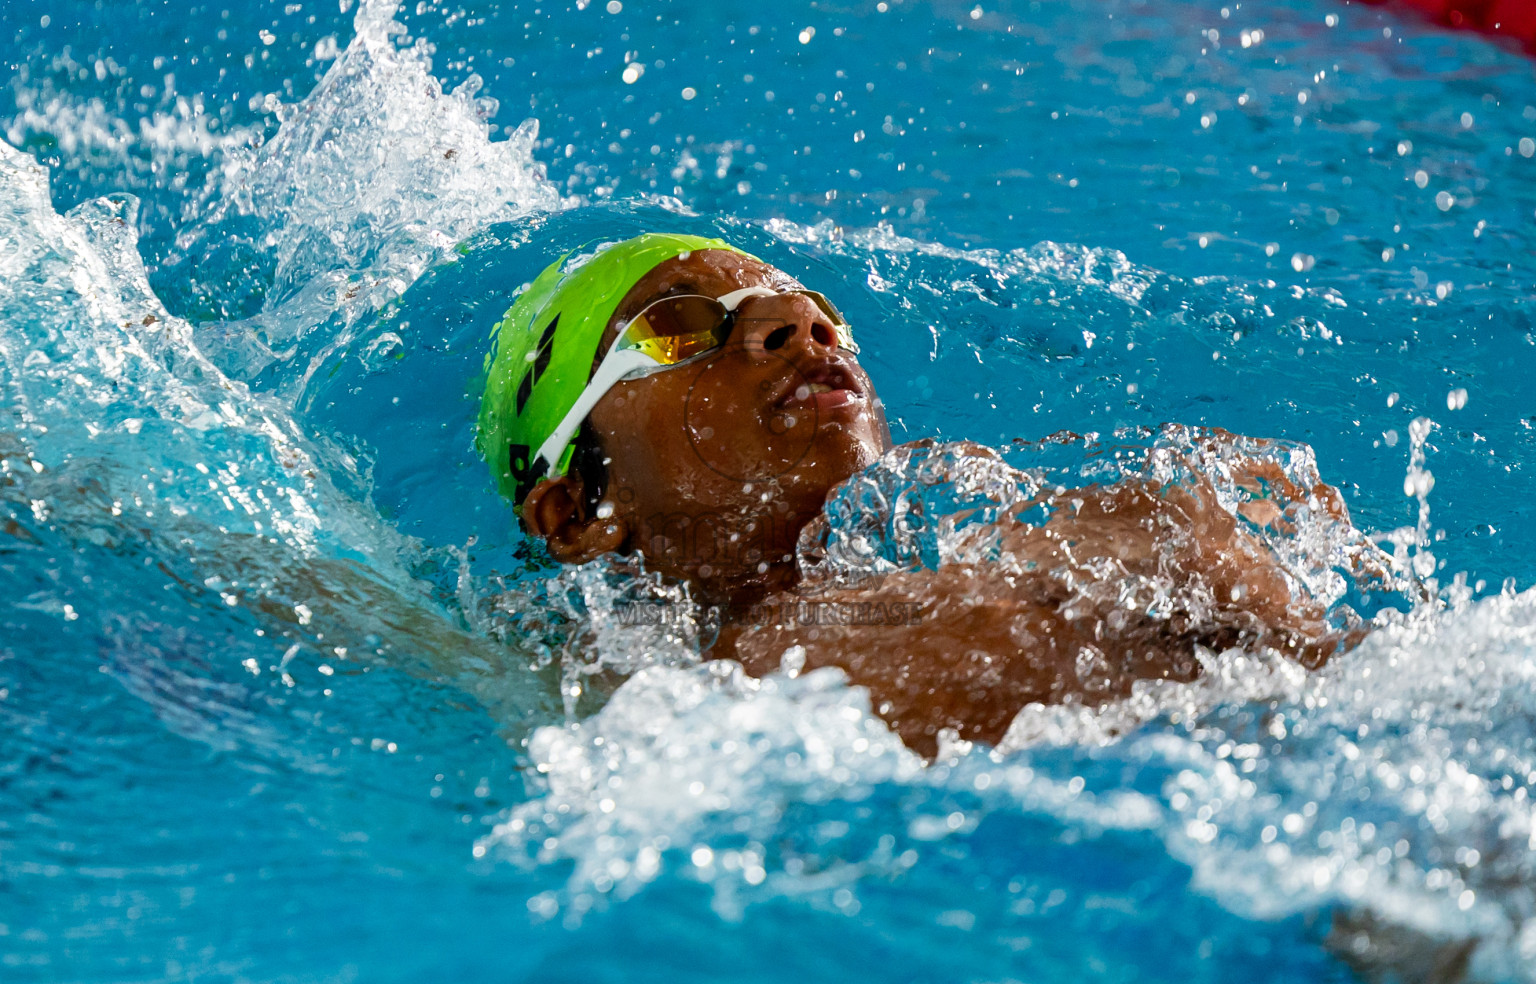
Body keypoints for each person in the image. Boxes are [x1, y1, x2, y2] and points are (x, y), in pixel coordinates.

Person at [479, 233, 1363, 756]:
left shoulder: (1026, 533)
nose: (796, 323)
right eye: (676, 325)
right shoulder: (706, 700)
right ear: (577, 514)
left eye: (809, 304)